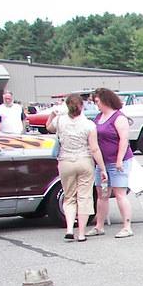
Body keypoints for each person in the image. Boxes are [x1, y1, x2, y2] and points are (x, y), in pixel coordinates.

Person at [46, 94, 106, 242]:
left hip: (65, 161)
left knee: (69, 196)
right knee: (84, 197)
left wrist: (52, 113)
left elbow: (48, 128)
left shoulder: (59, 121)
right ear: (82, 106)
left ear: (67, 106)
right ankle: (81, 233)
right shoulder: (89, 125)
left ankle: (69, 229)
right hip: (84, 161)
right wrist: (103, 168)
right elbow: (94, 149)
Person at [91, 88, 135, 238]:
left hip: (117, 161)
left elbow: (124, 139)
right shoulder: (99, 117)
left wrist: (119, 160)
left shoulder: (118, 117)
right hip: (102, 163)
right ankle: (99, 225)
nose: (96, 104)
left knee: (119, 193)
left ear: (105, 100)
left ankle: (127, 226)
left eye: (97, 101)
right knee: (102, 193)